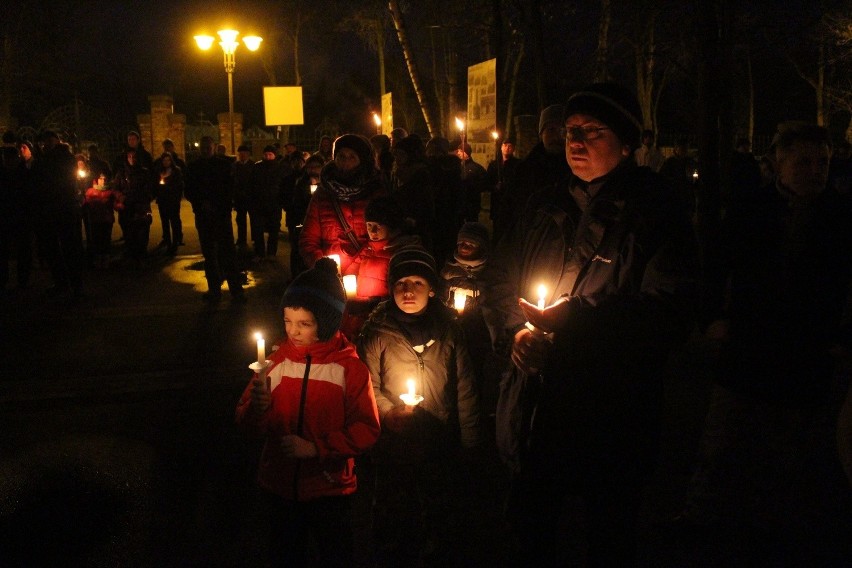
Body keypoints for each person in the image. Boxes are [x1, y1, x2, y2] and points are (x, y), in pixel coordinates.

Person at [492, 82, 698, 566]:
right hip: (538, 405)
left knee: (609, 533)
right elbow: (502, 276)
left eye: (593, 132)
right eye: (569, 132)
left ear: (627, 144)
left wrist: (577, 327)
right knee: (530, 526)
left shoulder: (655, 212)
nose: (575, 142)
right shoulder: (544, 204)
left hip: (613, 409)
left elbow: (670, 312)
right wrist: (516, 332)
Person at [681, 122, 852, 549]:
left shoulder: (841, 217)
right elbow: (715, 265)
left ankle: (770, 523)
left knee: (789, 443)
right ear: (779, 162)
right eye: (804, 161)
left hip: (806, 348)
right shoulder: (751, 209)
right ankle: (703, 515)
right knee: (723, 437)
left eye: (822, 162)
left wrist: (842, 337)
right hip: (748, 341)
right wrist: (713, 318)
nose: (815, 171)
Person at [235, 257, 381, 567]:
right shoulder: (274, 363)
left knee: (335, 553)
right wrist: (256, 411)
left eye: (305, 323)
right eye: (288, 321)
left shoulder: (349, 370)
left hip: (329, 488)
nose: (293, 331)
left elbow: (366, 429)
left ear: (326, 322)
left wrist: (317, 448)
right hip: (279, 485)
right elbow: (245, 421)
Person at [357, 245, 482, 565]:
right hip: (393, 442)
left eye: (417, 283)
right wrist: (388, 412)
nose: (408, 291)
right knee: (393, 511)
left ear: (431, 289)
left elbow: (464, 388)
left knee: (437, 510)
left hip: (437, 438)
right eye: (400, 283)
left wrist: (469, 441)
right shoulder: (377, 331)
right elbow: (366, 385)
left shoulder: (450, 330)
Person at [439, 221, 510, 417]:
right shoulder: (449, 272)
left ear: (482, 247)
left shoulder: (491, 274)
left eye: (471, 243)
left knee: (475, 373)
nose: (465, 247)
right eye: (462, 243)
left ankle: (478, 410)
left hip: (479, 336)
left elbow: (498, 304)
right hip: (454, 332)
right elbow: (439, 297)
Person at [299, 134, 385, 274]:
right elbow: (308, 239)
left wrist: (355, 267)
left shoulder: (377, 192)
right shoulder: (323, 194)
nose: (346, 162)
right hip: (332, 278)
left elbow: (383, 239)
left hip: (369, 275)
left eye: (352, 157)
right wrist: (323, 266)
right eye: (341, 156)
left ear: (363, 160)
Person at [495, 104, 571, 243]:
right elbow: (509, 211)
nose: (557, 136)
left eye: (563, 130)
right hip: (528, 242)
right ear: (541, 134)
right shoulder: (525, 170)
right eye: (551, 129)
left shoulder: (576, 169)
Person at [184, 135, 245, 304]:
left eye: (208, 148)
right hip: (204, 216)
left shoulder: (224, 166)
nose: (205, 151)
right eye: (203, 148)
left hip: (220, 215)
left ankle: (236, 290)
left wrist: (218, 205)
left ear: (214, 147)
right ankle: (214, 290)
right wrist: (201, 203)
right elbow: (189, 190)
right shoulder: (194, 167)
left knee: (228, 253)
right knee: (209, 254)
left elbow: (230, 188)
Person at [34, 130, 85, 299]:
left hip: (65, 208)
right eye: (44, 142)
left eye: (49, 141)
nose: (46, 144)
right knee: (52, 249)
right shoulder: (42, 159)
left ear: (56, 141)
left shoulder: (64, 158)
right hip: (49, 210)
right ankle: (62, 282)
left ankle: (76, 285)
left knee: (70, 247)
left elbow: (65, 180)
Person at [285, 154, 322, 280]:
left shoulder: (328, 184)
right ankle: (297, 278)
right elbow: (295, 203)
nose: (313, 170)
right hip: (301, 222)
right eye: (310, 167)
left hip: (319, 224)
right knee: (297, 251)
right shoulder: (300, 182)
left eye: (317, 167)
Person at [112, 149, 153, 264]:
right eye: (129, 157)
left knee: (142, 234)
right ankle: (131, 256)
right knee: (129, 234)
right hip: (126, 209)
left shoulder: (144, 172)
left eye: (134, 157)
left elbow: (148, 190)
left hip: (141, 208)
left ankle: (142, 257)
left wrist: (138, 198)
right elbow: (115, 188)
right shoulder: (121, 173)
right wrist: (120, 196)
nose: (132, 159)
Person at [249, 145, 289, 260]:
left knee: (273, 230)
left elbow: (283, 186)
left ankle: (271, 253)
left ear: (274, 155)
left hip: (274, 204)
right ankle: (259, 253)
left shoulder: (280, 168)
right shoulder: (257, 167)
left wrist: (282, 200)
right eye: (265, 154)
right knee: (258, 230)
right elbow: (251, 184)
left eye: (270, 155)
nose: (267, 157)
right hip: (258, 203)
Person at [485, 138, 521, 240]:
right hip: (497, 204)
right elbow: (487, 183)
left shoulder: (518, 165)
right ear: (501, 148)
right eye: (505, 145)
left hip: (511, 205)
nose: (507, 148)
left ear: (513, 148)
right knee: (497, 231)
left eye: (510, 146)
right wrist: (494, 187)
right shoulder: (493, 165)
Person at [153, 152, 185, 255]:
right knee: (165, 222)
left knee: (174, 221)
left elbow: (179, 186)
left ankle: (175, 242)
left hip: (173, 200)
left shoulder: (176, 171)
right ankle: (167, 242)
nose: (166, 162)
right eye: (164, 160)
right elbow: (155, 185)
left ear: (171, 161)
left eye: (168, 160)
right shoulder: (159, 172)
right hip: (163, 200)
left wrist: (170, 190)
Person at [455, 141, 487, 224]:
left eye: (460, 151)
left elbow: (484, 184)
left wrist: (472, 186)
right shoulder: (456, 167)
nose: (458, 153)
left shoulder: (477, 168)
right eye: (458, 150)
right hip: (459, 204)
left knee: (471, 225)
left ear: (466, 153)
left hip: (472, 204)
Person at [231, 144, 254, 254]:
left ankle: (255, 239)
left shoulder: (253, 166)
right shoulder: (235, 166)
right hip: (239, 197)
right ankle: (241, 240)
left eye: (244, 153)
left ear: (248, 154)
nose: (242, 155)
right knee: (240, 220)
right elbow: (232, 181)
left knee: (254, 219)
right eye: (240, 153)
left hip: (251, 197)